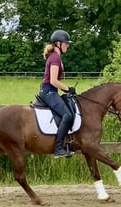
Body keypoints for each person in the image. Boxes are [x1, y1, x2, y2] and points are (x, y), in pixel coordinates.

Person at [39, 29, 76, 158]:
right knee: (67, 115)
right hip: (49, 91)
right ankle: (58, 148)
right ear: (58, 43)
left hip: (51, 90)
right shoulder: (54, 58)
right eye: (66, 43)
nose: (68, 45)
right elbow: (53, 81)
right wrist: (67, 89)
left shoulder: (56, 57)